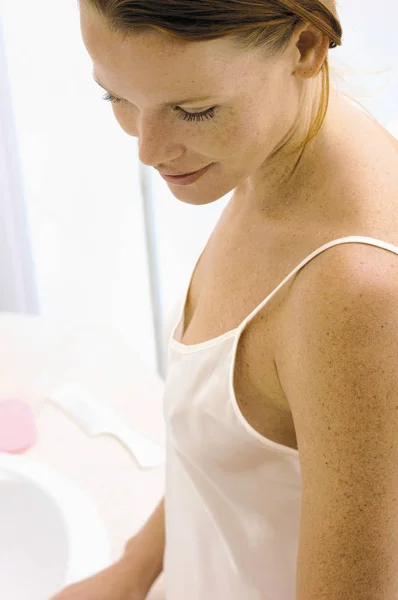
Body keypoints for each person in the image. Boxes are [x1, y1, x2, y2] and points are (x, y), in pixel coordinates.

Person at [52, 1, 398, 599]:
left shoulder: (352, 294)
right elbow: (220, 446)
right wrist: (133, 571)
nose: (149, 148)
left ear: (306, 47)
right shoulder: (271, 153)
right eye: (116, 97)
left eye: (194, 110)